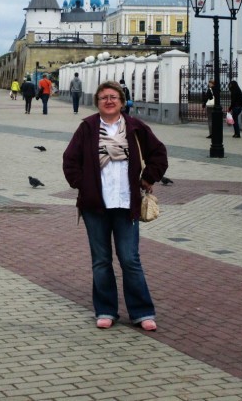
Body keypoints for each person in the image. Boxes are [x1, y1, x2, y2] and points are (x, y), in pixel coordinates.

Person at [63, 80, 168, 331]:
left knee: (130, 259)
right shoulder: (87, 128)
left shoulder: (134, 127)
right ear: (97, 102)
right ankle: (106, 309)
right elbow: (70, 161)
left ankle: (142, 312)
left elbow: (159, 154)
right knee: (101, 260)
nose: (108, 101)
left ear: (122, 101)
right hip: (95, 205)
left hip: (125, 203)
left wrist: (147, 178)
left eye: (113, 97)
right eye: (103, 98)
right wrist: (84, 184)